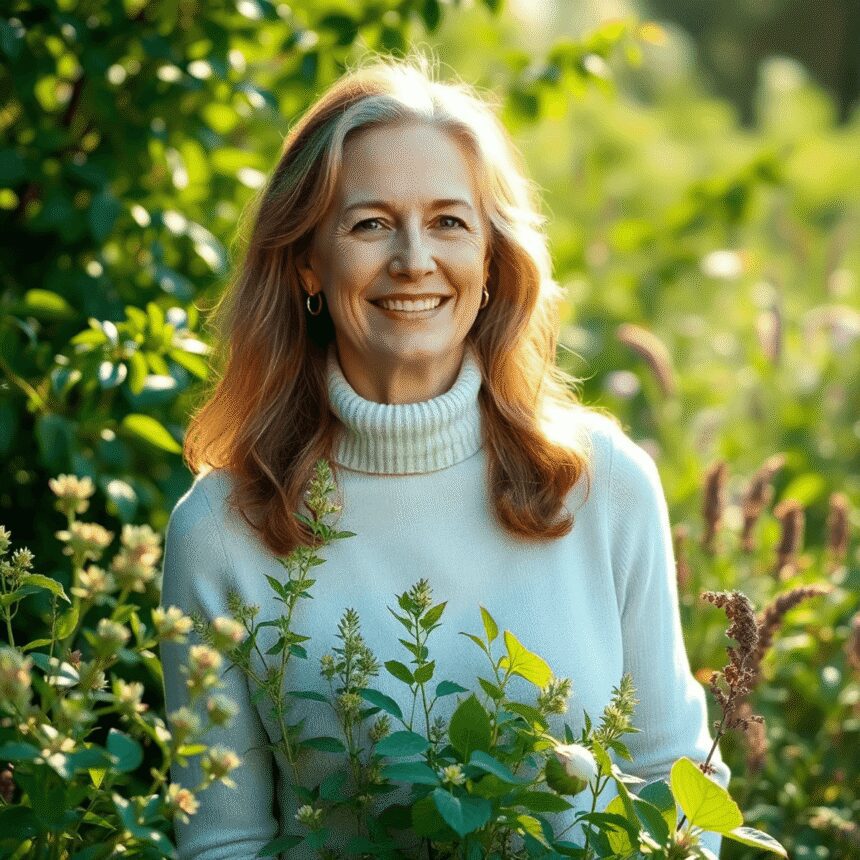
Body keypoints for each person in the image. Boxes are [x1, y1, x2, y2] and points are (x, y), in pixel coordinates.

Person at [159, 51, 731, 859]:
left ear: (493, 260)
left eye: (449, 222)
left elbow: (677, 791)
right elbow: (224, 845)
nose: (413, 259)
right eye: (370, 223)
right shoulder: (222, 530)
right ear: (306, 262)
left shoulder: (604, 486)